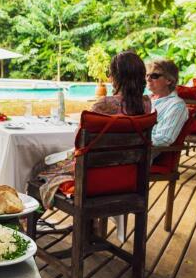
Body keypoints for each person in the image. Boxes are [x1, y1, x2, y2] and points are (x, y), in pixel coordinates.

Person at [35, 51, 152, 209]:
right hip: (128, 178)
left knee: (38, 168)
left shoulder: (103, 104)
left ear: (116, 77)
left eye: (110, 73)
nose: (109, 78)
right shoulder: (146, 105)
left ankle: (27, 226)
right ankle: (91, 228)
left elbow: (79, 140)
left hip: (93, 181)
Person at [146, 58, 188, 148]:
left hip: (146, 153)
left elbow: (164, 139)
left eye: (154, 76)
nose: (148, 79)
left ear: (169, 80)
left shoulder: (176, 105)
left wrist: (133, 141)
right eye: (147, 75)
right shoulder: (145, 99)